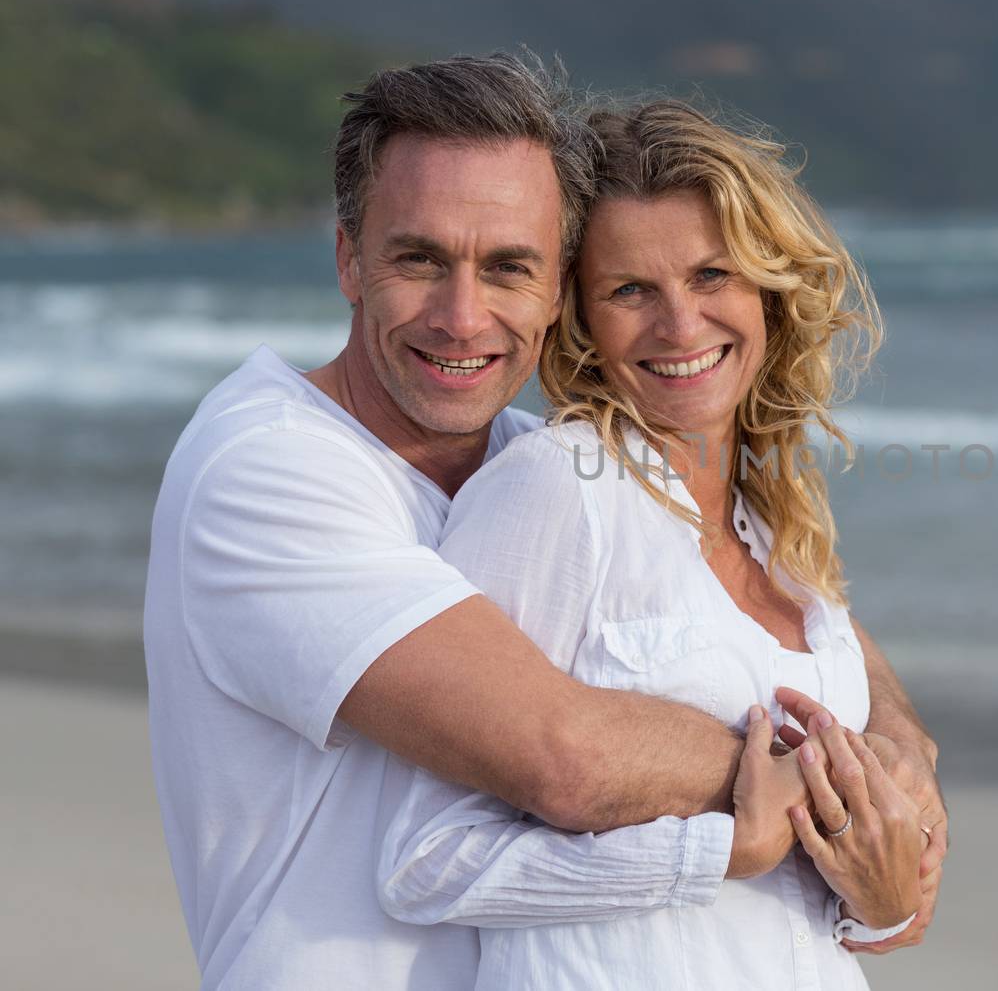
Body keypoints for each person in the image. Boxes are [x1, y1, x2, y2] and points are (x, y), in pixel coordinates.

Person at [143, 53, 945, 990]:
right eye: (419, 258)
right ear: (347, 258)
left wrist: (897, 747)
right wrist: (837, 787)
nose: (462, 314)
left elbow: (777, 623)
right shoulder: (271, 470)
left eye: (509, 266)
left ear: (552, 292)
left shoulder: (547, 459)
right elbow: (560, 752)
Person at [377, 100, 932, 990]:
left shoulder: (780, 523)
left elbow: (829, 902)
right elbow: (424, 857)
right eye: (630, 290)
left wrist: (887, 897)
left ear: (768, 288)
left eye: (713, 274)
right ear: (581, 318)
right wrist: (713, 851)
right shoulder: (557, 488)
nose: (680, 325)